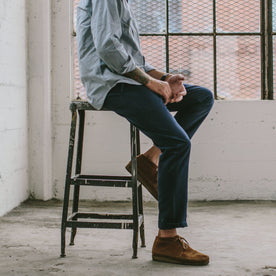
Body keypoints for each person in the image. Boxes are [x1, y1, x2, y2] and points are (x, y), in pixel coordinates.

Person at [76, 0, 214, 265]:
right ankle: (167, 240)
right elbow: (107, 47)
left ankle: (149, 160)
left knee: (201, 98)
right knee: (178, 144)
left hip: (129, 81)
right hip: (112, 86)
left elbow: (132, 57)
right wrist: (151, 83)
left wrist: (164, 78)